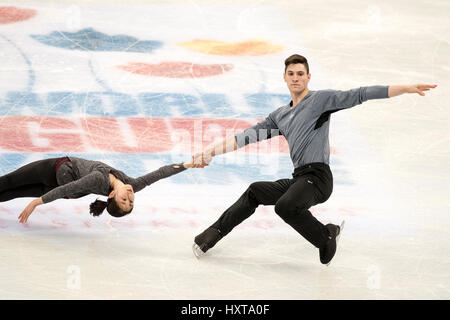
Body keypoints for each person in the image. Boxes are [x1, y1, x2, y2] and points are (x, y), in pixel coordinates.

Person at [190, 54, 437, 265]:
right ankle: (211, 235)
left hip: (318, 178)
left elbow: (359, 94)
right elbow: (245, 137)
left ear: (308, 77)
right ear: (285, 78)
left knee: (285, 207)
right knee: (255, 191)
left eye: (300, 73)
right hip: (299, 179)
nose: (296, 77)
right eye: (291, 73)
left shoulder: (320, 101)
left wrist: (405, 88)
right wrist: (209, 151)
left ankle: (325, 236)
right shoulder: (280, 116)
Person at [0, 156, 195, 223]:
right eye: (131, 201)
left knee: (8, 183)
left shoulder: (98, 179)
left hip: (53, 173)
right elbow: (160, 173)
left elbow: (70, 187)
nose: (130, 196)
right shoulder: (133, 184)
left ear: (111, 195)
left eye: (123, 201)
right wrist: (187, 164)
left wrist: (37, 202)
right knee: (11, 191)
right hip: (62, 188)